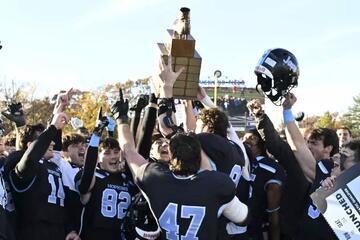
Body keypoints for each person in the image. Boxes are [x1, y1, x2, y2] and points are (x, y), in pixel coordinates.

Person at [113, 56, 248, 239]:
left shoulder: (155, 177)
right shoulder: (222, 175)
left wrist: (122, 118)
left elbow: (129, 150)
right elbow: (243, 217)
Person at [75, 109, 138, 240]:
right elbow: (86, 181)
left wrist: (134, 116)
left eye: (116, 152)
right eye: (107, 153)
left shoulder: (126, 177)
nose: (113, 156)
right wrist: (96, 134)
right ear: (98, 157)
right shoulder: (93, 176)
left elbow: (135, 150)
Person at [282, 93, 338, 239]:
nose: (309, 146)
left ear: (329, 148)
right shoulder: (324, 168)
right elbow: (299, 146)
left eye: (314, 143)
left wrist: (287, 111)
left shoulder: (349, 179)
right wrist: (287, 111)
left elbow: (299, 146)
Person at [7, 113, 68, 240]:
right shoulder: (24, 166)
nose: (52, 142)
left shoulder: (54, 166)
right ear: (30, 146)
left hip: (58, 232)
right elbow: (30, 158)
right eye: (46, 139)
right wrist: (53, 127)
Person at [242, 128, 285, 240]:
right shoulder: (240, 162)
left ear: (262, 143)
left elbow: (273, 212)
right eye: (245, 138)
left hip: (256, 230)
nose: (247, 141)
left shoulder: (271, 168)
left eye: (252, 138)